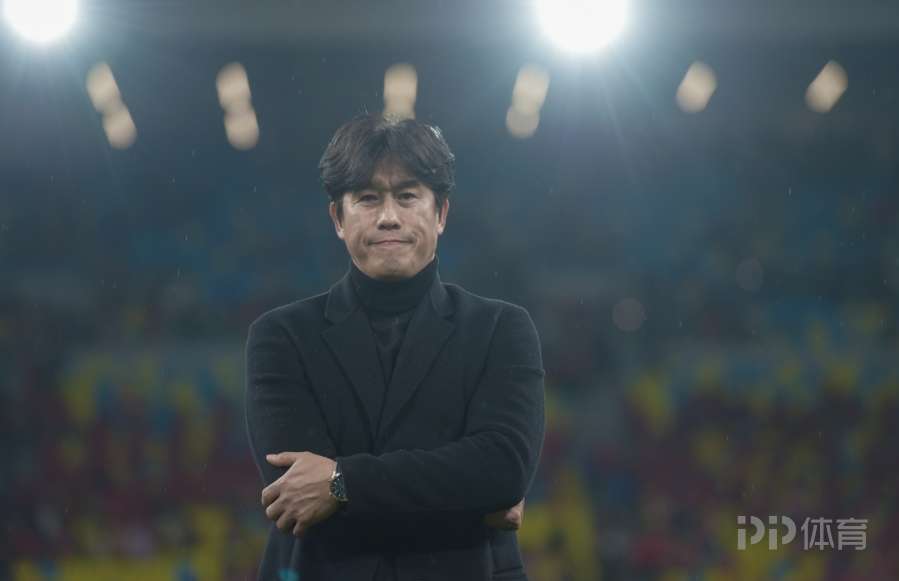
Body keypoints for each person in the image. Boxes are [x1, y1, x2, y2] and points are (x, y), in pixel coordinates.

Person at [245, 113, 546, 580]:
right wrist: (468, 496)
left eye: (407, 196)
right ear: (337, 218)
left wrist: (339, 482)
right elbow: (294, 494)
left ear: (441, 214)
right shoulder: (280, 336)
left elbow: (503, 471)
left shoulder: (501, 328)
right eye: (367, 198)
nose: (389, 217)